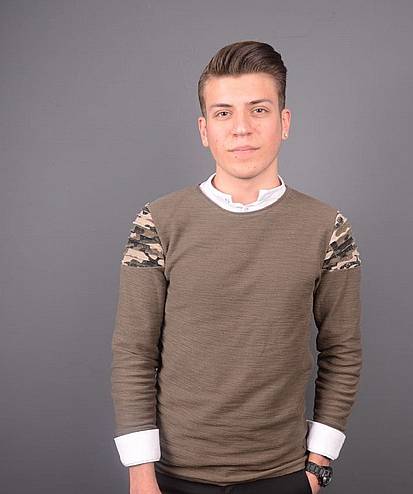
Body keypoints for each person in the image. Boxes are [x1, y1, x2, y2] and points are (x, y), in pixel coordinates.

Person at [111, 40, 363, 494]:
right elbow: (134, 351)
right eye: (224, 113)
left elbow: (342, 350)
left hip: (284, 475)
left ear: (284, 122)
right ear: (204, 129)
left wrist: (318, 466)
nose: (242, 129)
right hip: (170, 477)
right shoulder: (157, 222)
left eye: (259, 110)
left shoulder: (329, 227)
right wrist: (140, 473)